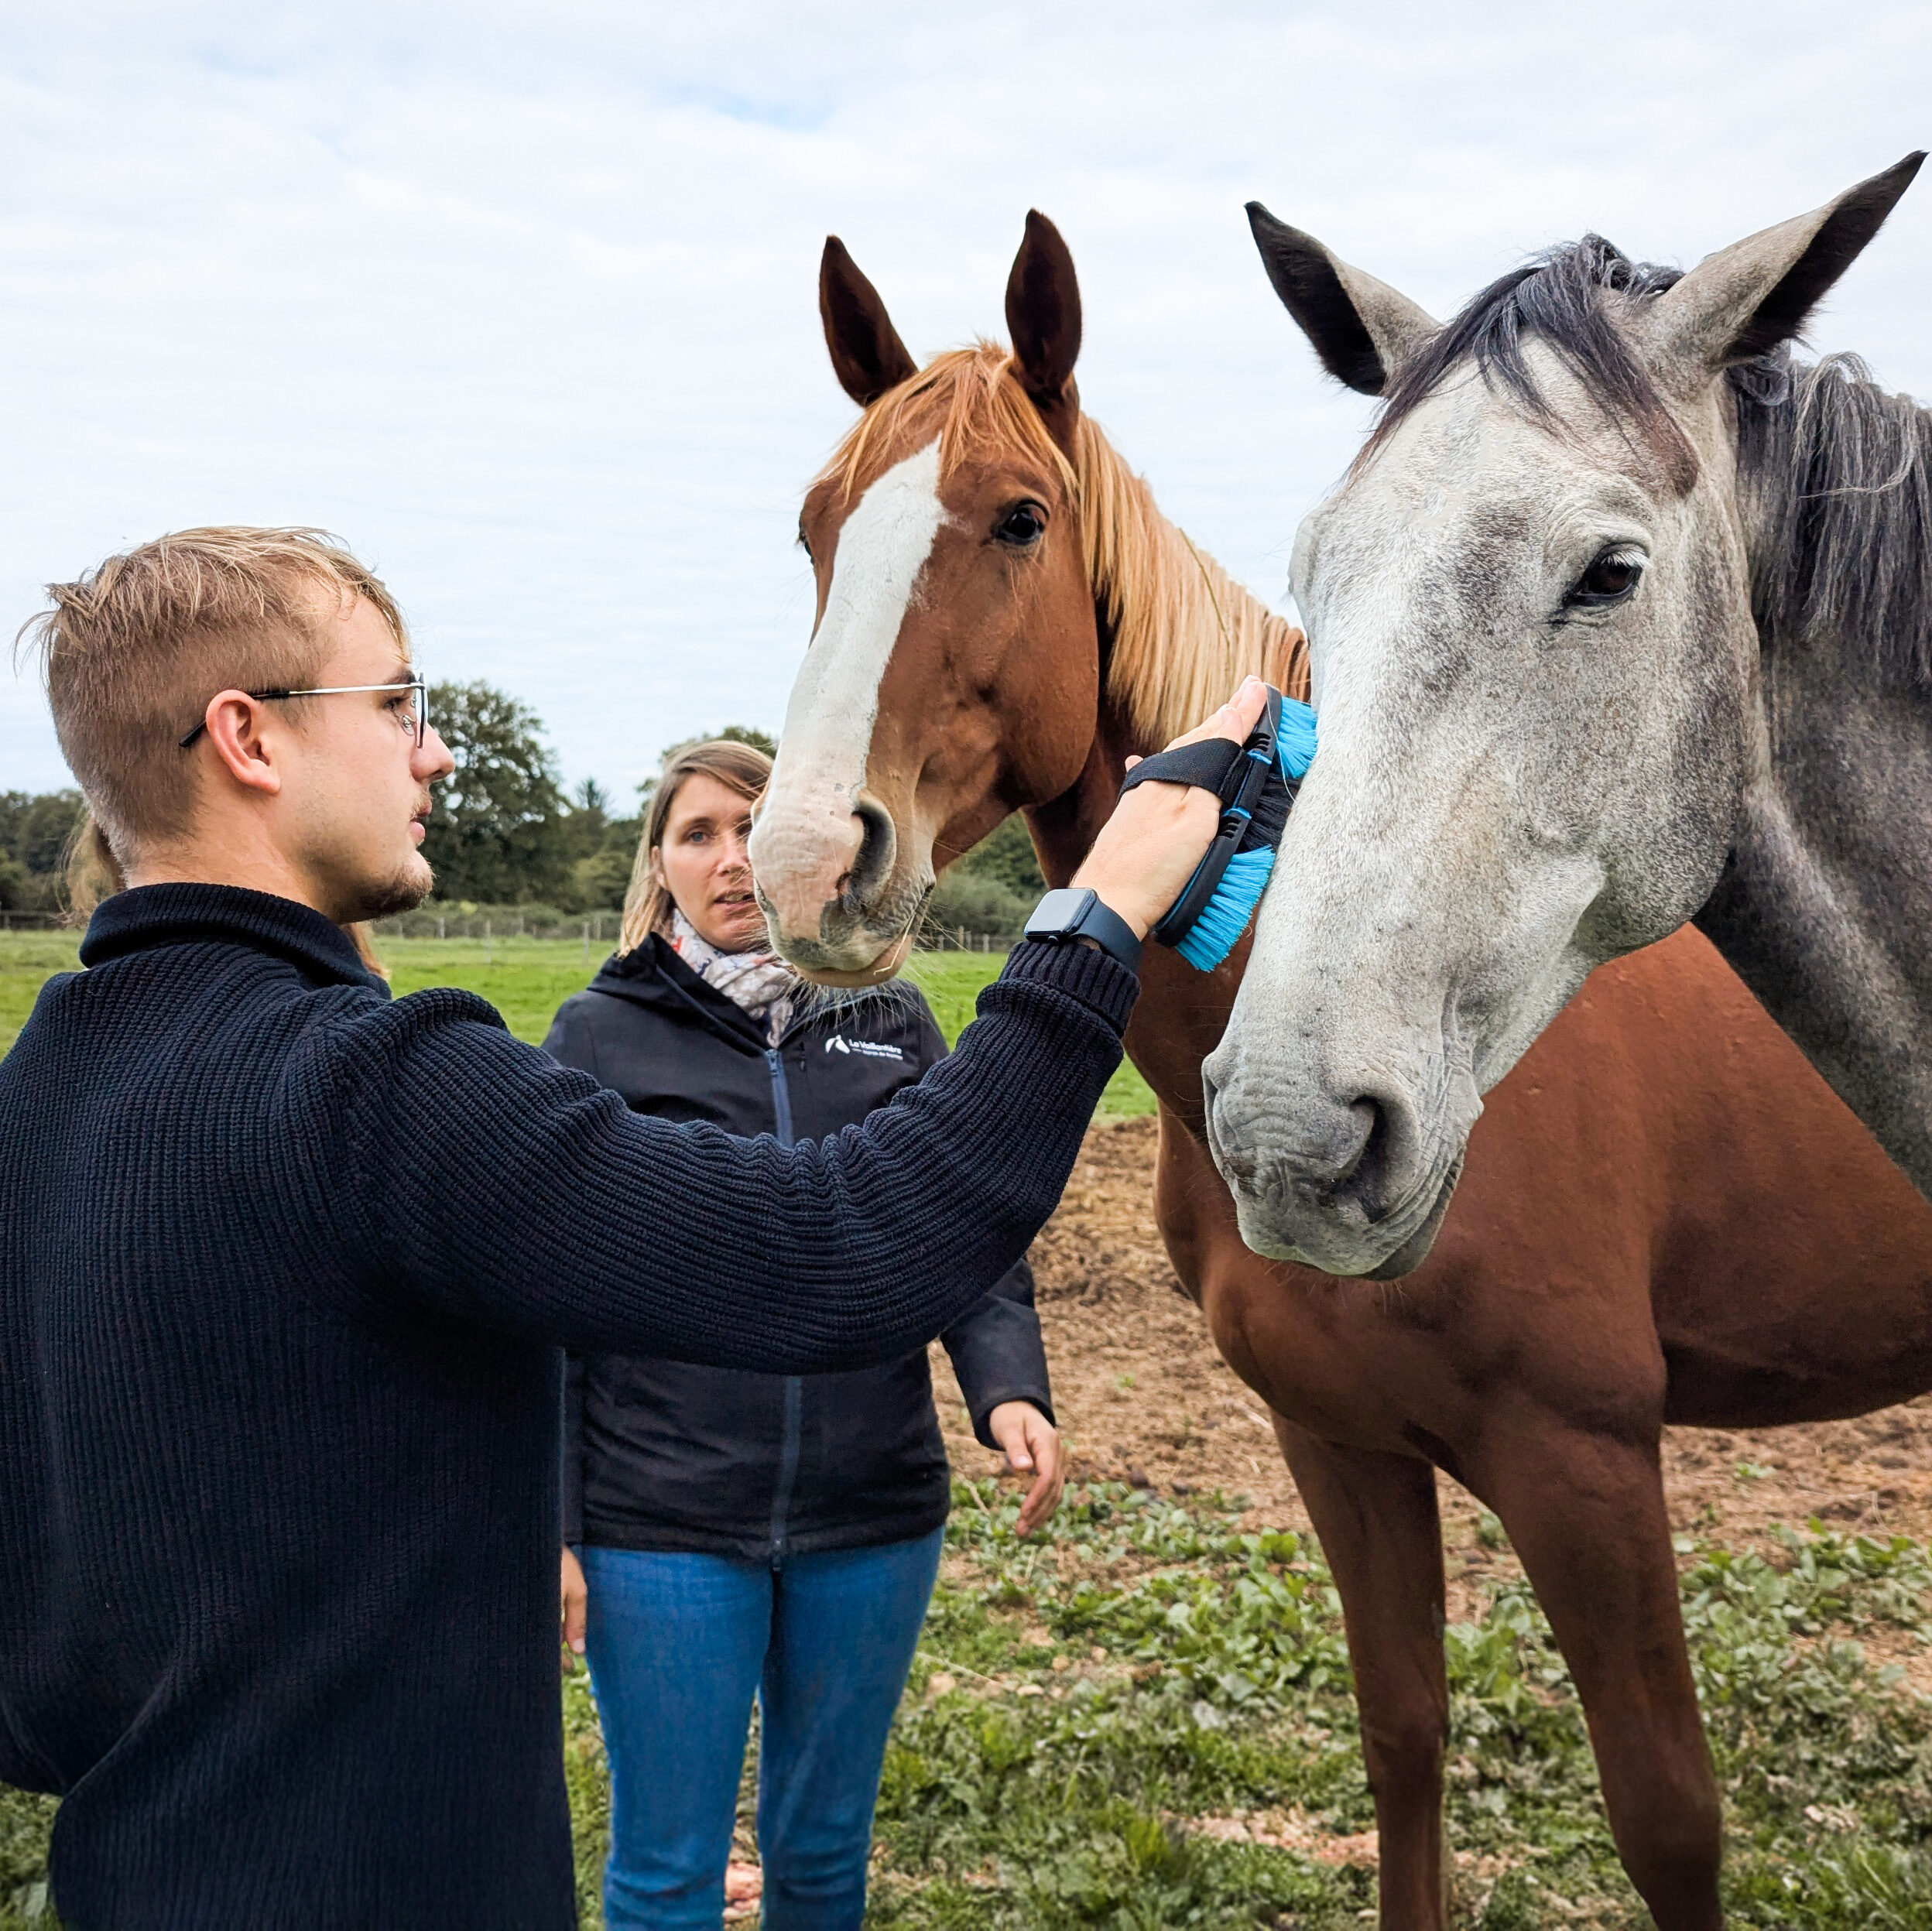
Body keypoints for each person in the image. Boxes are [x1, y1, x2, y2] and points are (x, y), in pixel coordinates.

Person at [0, 526, 1268, 1930]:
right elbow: (836, 1251)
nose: (435, 755)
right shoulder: (381, 1090)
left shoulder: (31, 1100)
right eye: (396, 705)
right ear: (248, 737)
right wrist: (1096, 920)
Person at [548, 738, 1063, 1930]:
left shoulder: (891, 1022)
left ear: (814, 851)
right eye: (699, 834)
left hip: (871, 1514)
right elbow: (547, 1302)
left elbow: (965, 1226)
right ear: (660, 866)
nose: (732, 859)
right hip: (658, 1525)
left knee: (825, 1855)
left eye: (756, 825)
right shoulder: (594, 1037)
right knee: (666, 1872)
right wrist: (553, 1525)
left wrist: (1009, 1391)